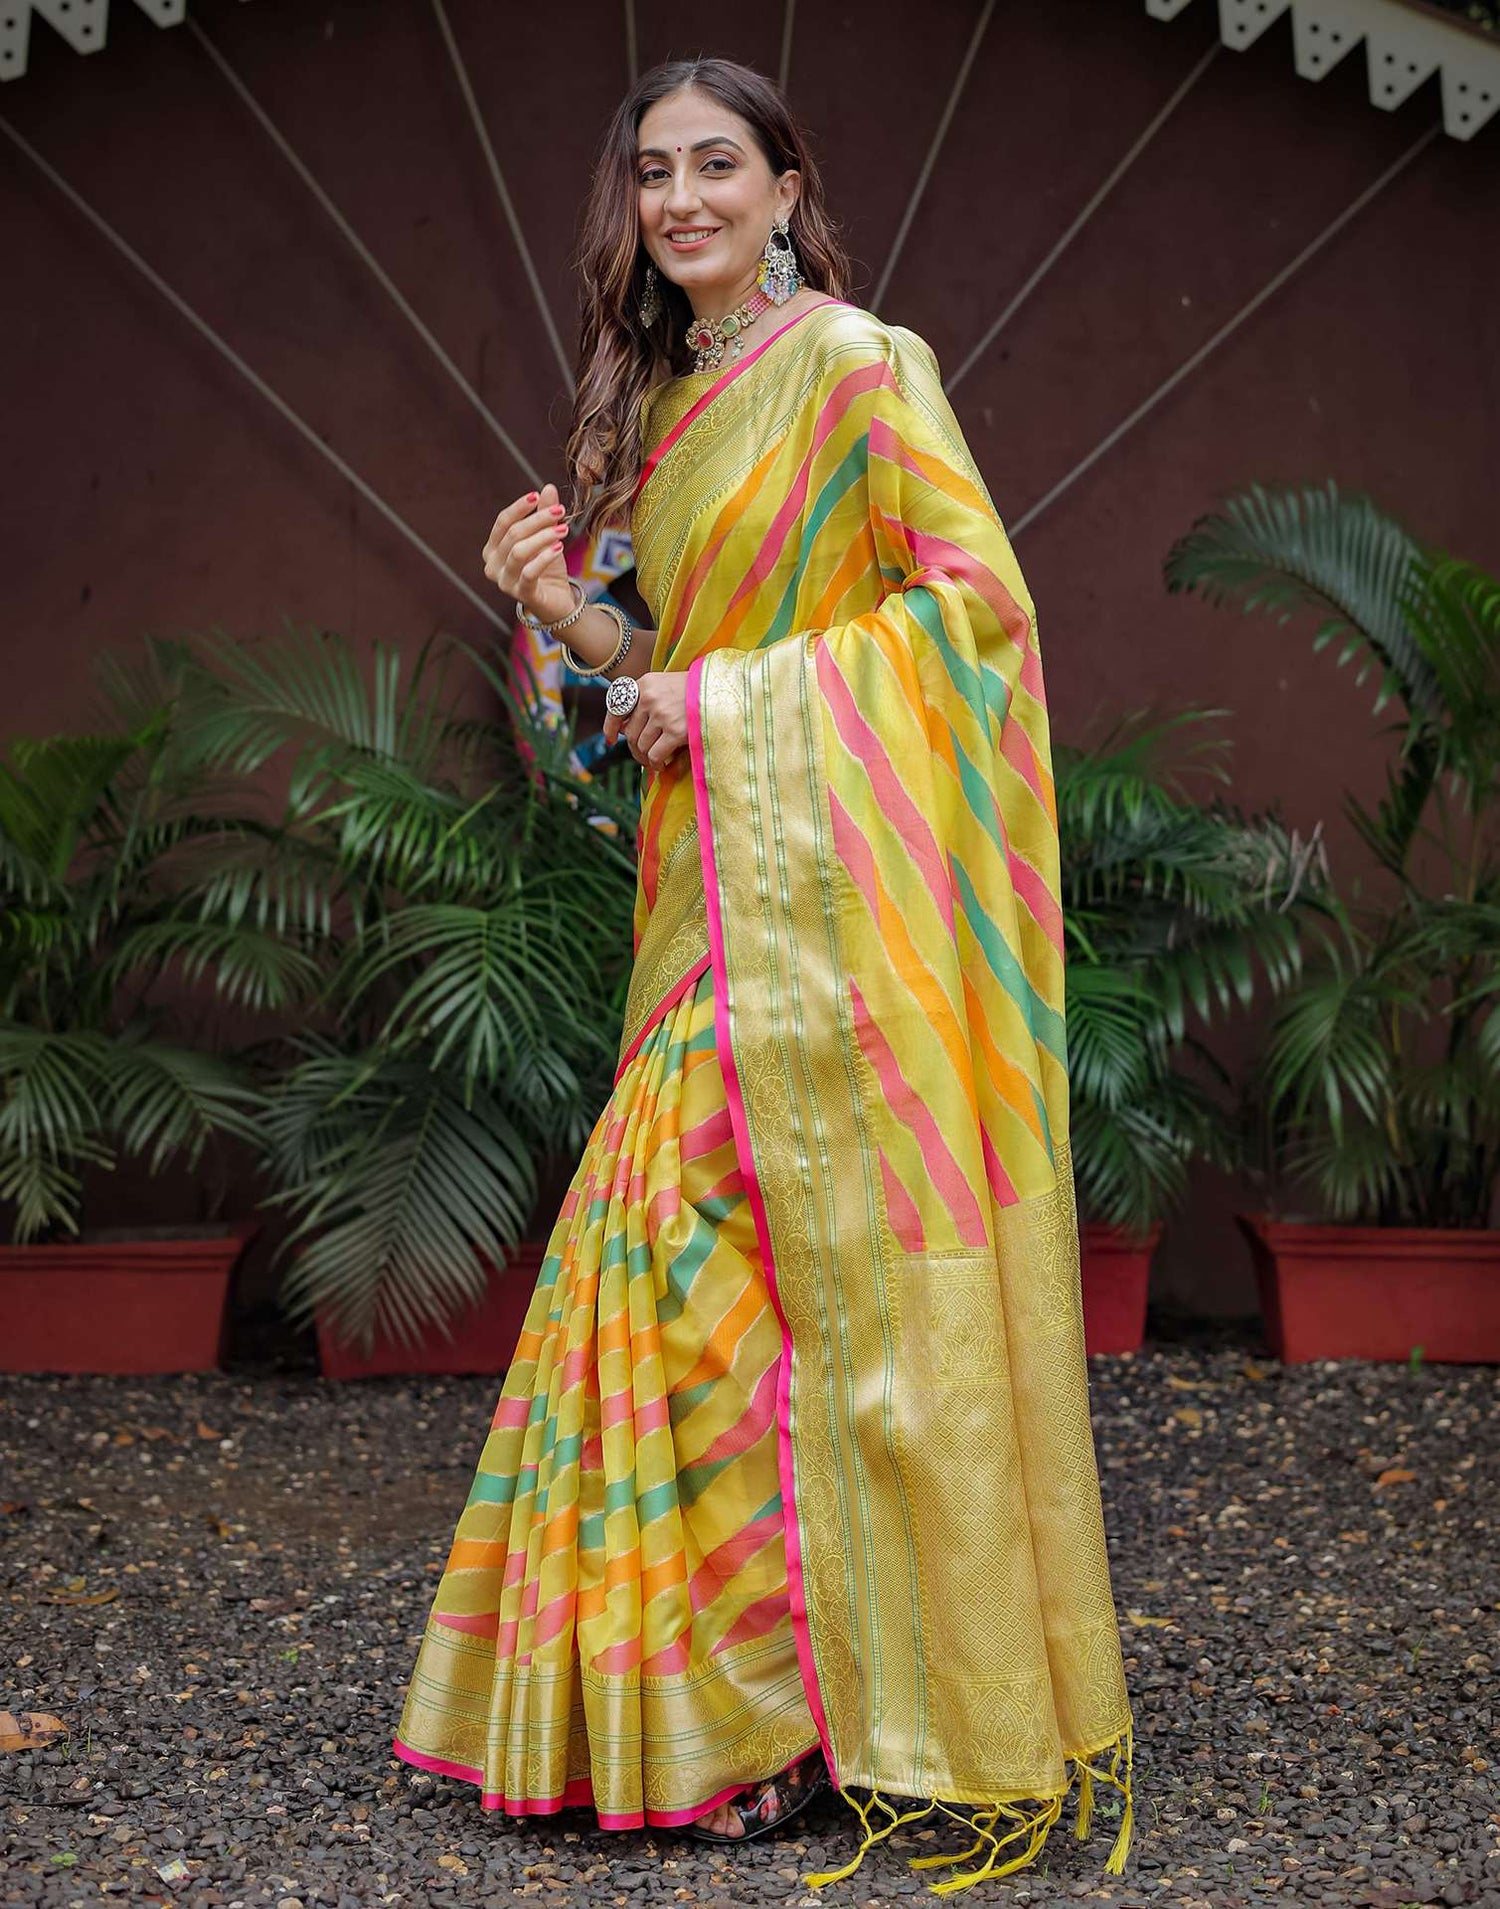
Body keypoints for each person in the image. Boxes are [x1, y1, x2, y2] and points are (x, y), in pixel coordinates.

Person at [393, 55, 1136, 1892]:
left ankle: (802, 1716)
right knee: (673, 1280)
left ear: (788, 188)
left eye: (717, 164)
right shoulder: (666, 408)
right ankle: (722, 1717)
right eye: (653, 172)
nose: (683, 200)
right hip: (704, 901)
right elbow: (642, 686)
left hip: (841, 921)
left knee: (759, 1287)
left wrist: (717, 698)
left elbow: (975, 616)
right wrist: (567, 612)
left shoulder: (864, 366)